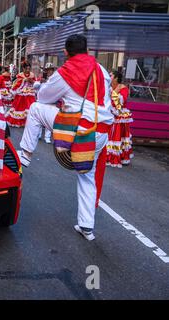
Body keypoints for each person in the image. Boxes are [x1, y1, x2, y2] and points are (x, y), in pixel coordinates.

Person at [17, 34, 114, 241]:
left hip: (77, 129)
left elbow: (44, 98)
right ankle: (87, 227)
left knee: (35, 108)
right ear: (87, 51)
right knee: (87, 176)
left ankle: (25, 155)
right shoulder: (102, 70)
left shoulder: (66, 71)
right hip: (101, 133)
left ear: (66, 53)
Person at [106, 70, 134, 167]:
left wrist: (113, 93)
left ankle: (118, 156)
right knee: (109, 136)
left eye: (111, 75)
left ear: (116, 77)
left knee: (117, 136)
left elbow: (120, 103)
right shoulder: (109, 87)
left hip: (119, 115)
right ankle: (108, 155)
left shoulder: (123, 88)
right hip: (110, 114)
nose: (109, 76)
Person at [6, 61, 36, 127]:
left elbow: (35, 83)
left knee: (30, 107)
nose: (28, 70)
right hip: (21, 93)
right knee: (19, 107)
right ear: (23, 68)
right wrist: (24, 80)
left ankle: (29, 122)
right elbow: (16, 84)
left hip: (30, 93)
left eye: (29, 69)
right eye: (26, 69)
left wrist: (32, 81)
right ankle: (20, 121)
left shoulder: (32, 75)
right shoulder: (20, 75)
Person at [34, 62, 56, 144]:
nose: (49, 72)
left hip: (51, 103)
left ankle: (47, 137)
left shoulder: (55, 79)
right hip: (41, 102)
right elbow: (35, 87)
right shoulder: (41, 78)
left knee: (48, 120)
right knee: (39, 120)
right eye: (47, 70)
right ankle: (38, 134)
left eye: (51, 70)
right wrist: (40, 82)